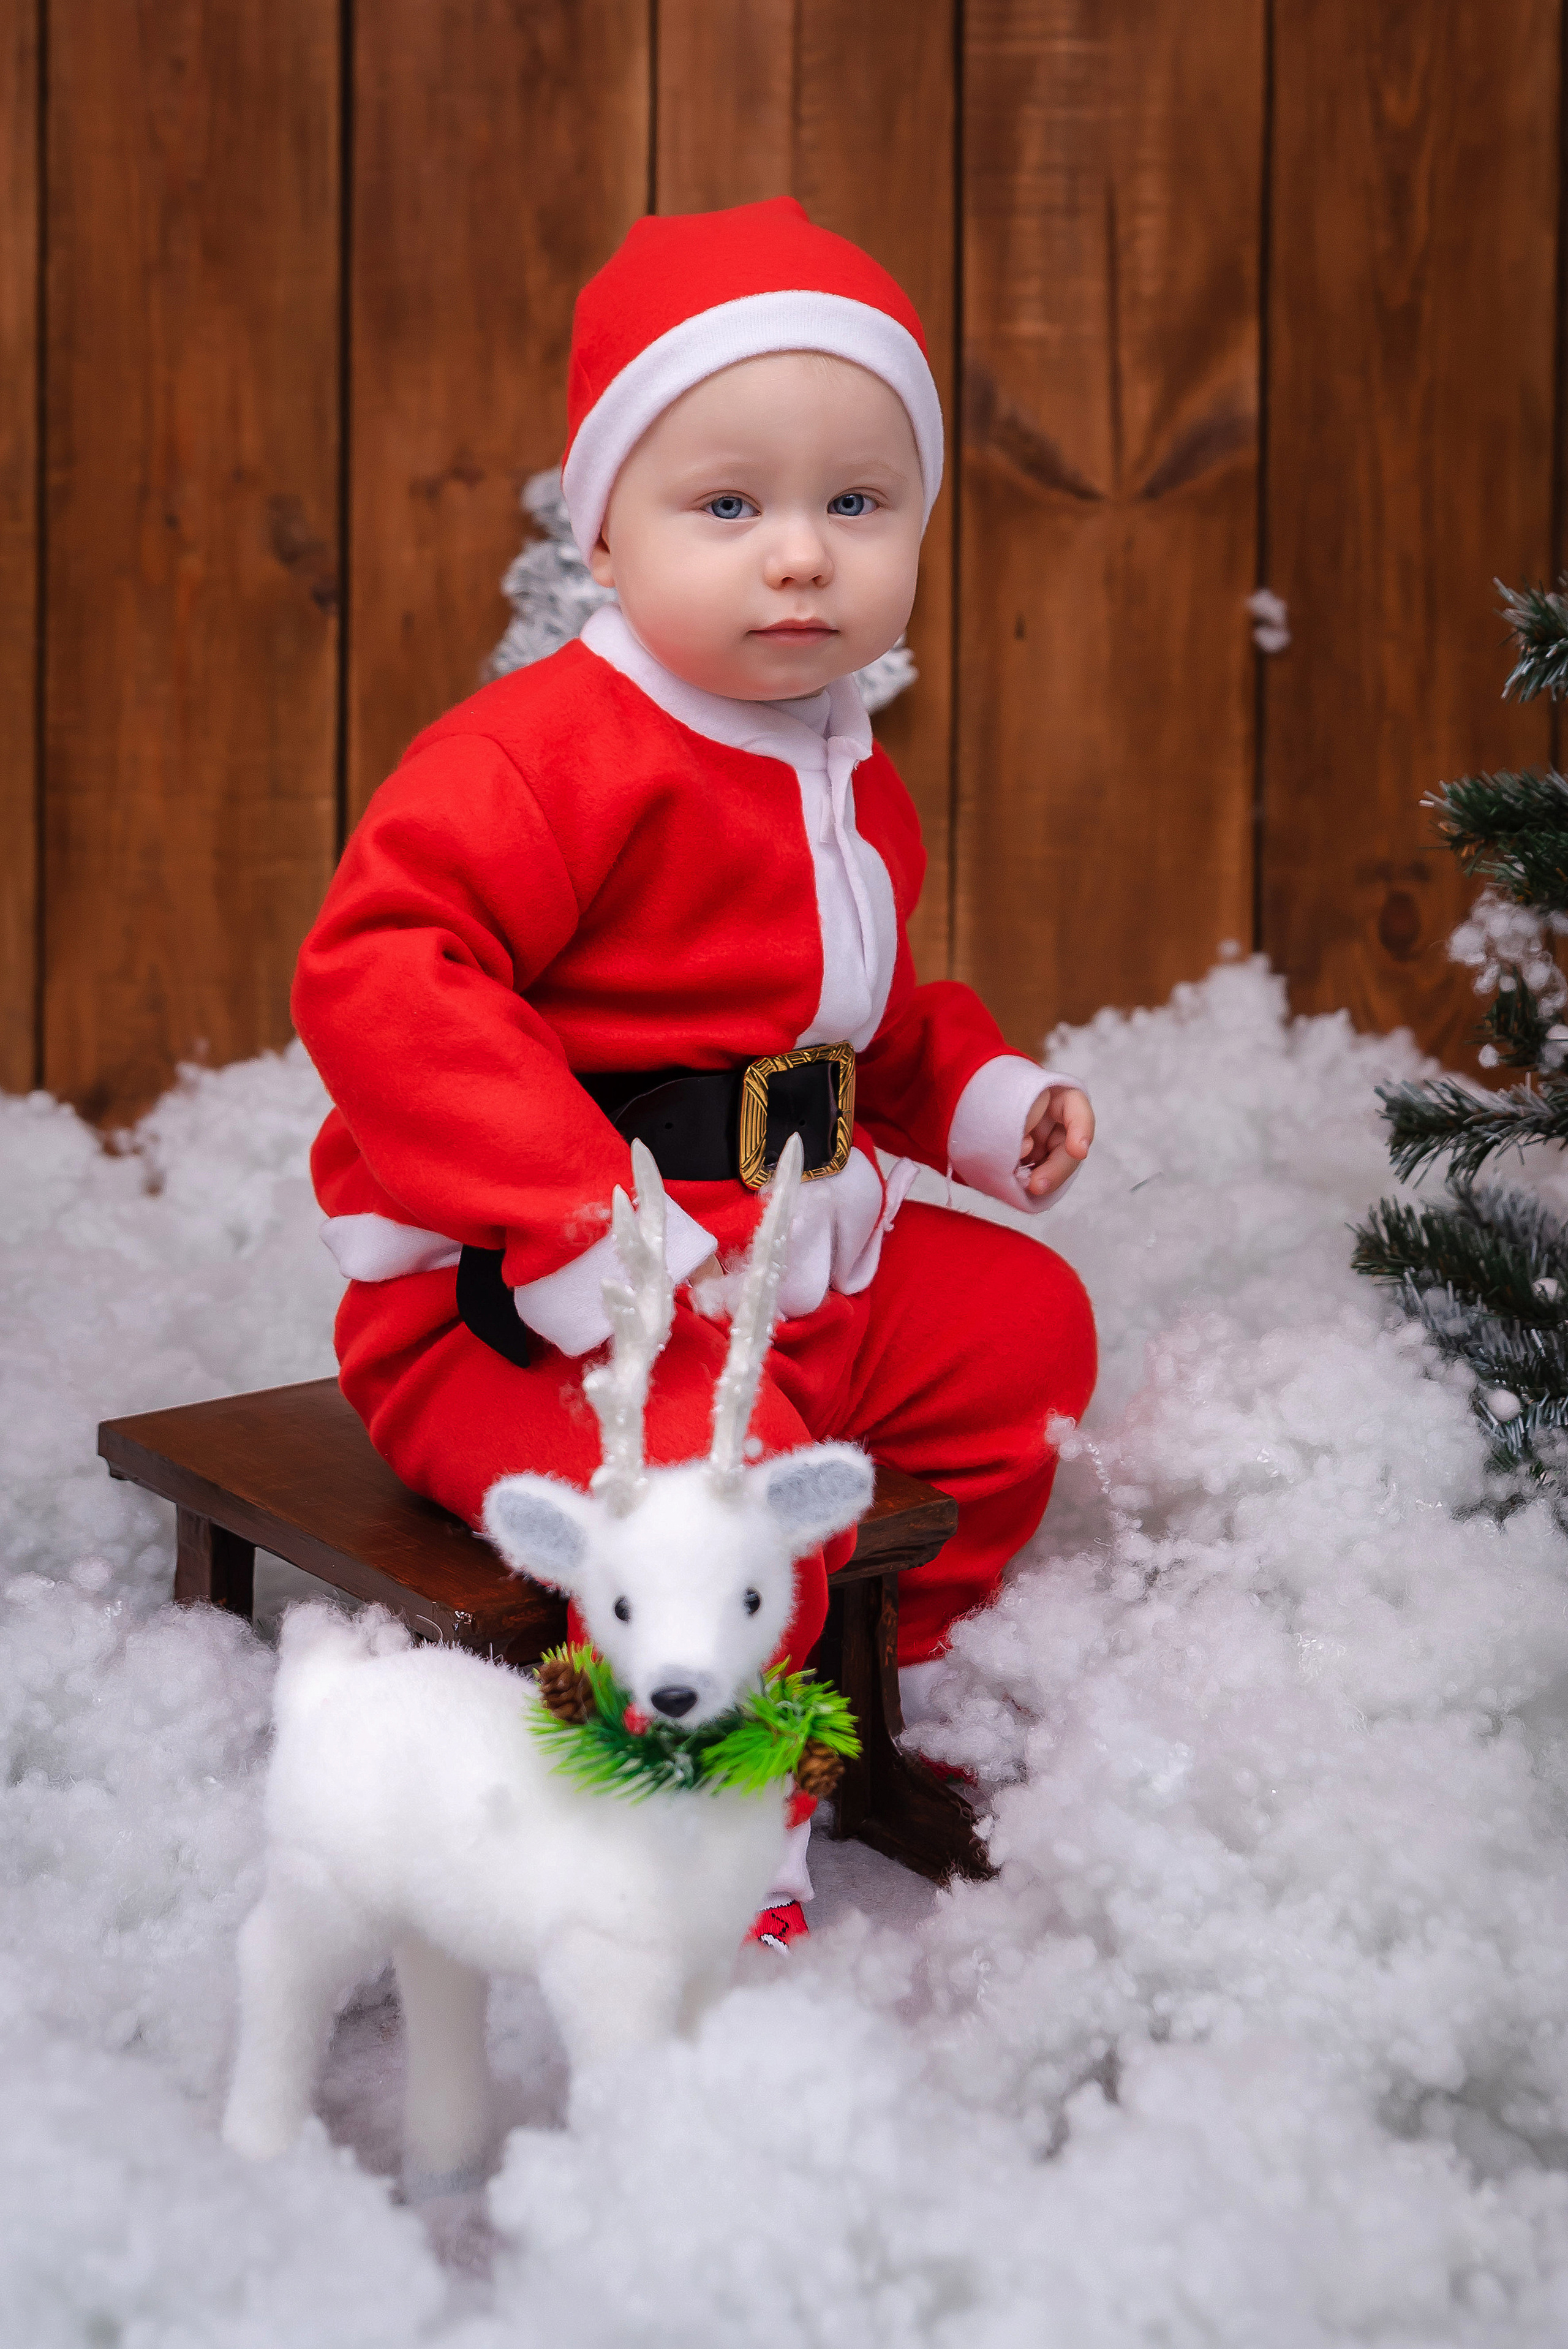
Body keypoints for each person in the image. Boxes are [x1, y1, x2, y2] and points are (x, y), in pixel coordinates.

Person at [292, 197, 1096, 1943]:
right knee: (699, 1507)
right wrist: (574, 1212)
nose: (798, 554)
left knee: (1025, 1337)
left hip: (786, 1246)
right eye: (728, 504)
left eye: (855, 504)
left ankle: (881, 1681)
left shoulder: (838, 766)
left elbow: (847, 1025)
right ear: (608, 532)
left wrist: (973, 1095)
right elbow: (382, 973)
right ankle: (694, 1842)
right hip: (545, 1302)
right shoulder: (545, 752)